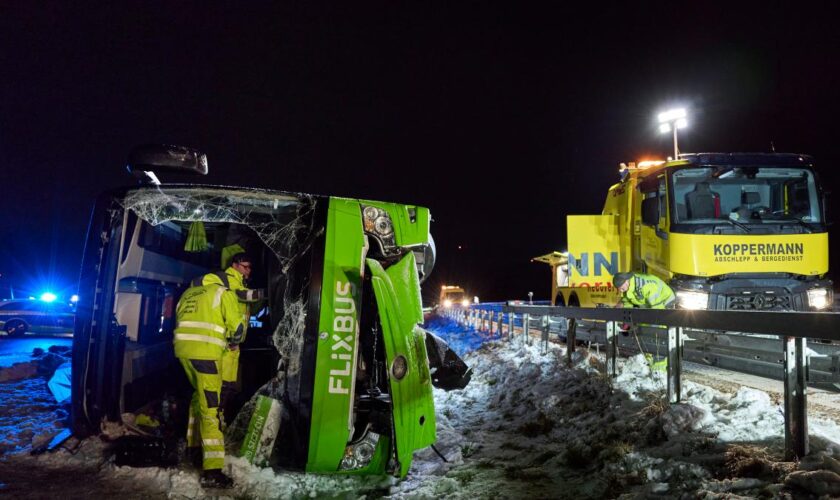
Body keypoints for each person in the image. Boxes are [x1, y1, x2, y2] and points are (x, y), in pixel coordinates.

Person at [174, 255, 252, 488]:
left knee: (198, 398)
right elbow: (237, 329)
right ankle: (212, 470)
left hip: (184, 353)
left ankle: (193, 448)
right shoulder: (223, 293)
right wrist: (234, 342)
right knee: (212, 410)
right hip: (207, 355)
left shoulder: (189, 294)